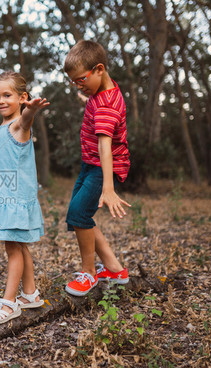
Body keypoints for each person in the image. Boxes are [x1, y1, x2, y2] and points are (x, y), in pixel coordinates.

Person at [0, 71, 49, 324]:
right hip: (6, 197)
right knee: (19, 244)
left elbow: (25, 121)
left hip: (14, 199)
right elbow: (6, 142)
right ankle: (30, 294)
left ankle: (9, 304)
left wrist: (32, 110)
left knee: (12, 248)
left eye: (7, 95)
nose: (1, 101)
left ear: (22, 98)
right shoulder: (4, 128)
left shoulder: (20, 123)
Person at [62, 40, 131, 297]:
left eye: (81, 80)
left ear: (99, 69)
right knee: (78, 216)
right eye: (73, 81)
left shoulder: (105, 105)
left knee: (79, 215)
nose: (78, 84)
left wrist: (108, 188)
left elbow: (106, 146)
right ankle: (114, 268)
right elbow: (99, 108)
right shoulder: (102, 94)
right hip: (90, 164)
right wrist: (86, 98)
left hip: (102, 167)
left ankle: (89, 274)